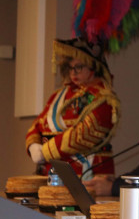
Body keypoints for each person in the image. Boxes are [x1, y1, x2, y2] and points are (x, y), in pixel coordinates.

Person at [25, 39, 120, 178]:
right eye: (70, 68)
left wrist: (45, 152)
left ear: (93, 67)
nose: (73, 72)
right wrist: (33, 146)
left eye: (79, 67)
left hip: (88, 172)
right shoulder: (58, 95)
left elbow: (83, 134)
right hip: (53, 171)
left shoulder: (103, 97)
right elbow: (38, 125)